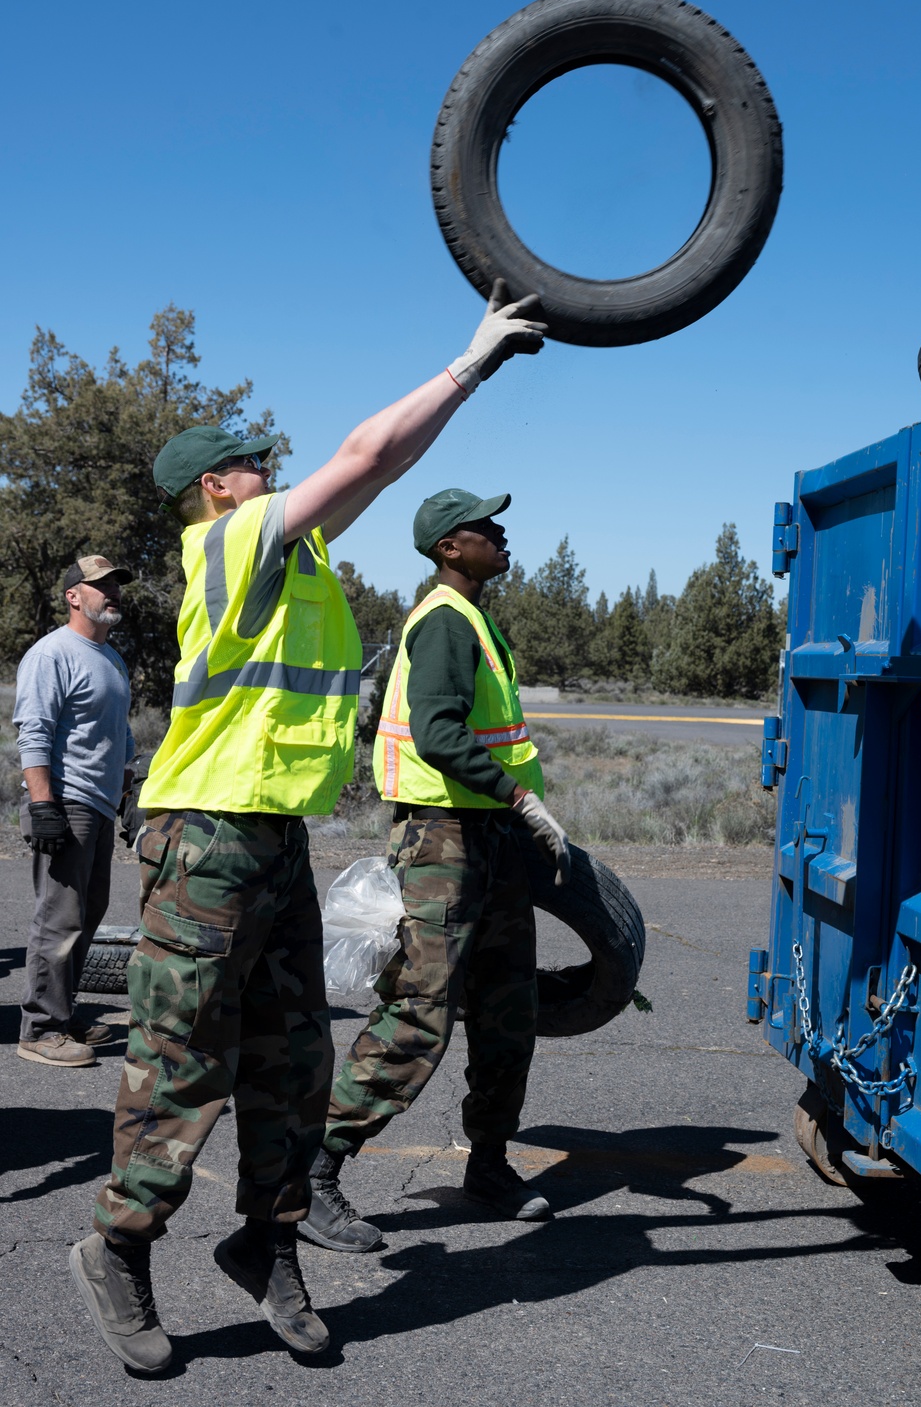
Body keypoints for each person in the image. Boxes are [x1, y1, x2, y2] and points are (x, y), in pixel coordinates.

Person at [69, 282, 546, 1375]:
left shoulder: (301, 562)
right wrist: (471, 360)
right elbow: (372, 453)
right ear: (212, 488)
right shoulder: (231, 545)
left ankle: (268, 1241)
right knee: (179, 1063)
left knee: (292, 1064)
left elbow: (372, 472)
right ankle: (120, 1249)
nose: (267, 471)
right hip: (204, 844)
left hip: (275, 840)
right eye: (246, 461)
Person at [302, 488, 571, 1255]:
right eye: (487, 528)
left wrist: (519, 819)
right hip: (442, 844)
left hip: (488, 840)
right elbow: (440, 731)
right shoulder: (446, 621)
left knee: (506, 1011)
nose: (501, 533)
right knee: (418, 1015)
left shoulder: (478, 619)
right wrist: (519, 795)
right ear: (450, 547)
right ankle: (313, 1175)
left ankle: (488, 1164)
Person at [14, 556, 134, 1068]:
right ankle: (40, 1029)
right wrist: (43, 805)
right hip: (67, 801)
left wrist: (128, 794)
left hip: (101, 805)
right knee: (59, 920)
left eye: (116, 586)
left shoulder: (111, 658)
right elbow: (34, 732)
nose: (113, 593)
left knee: (89, 915)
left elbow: (120, 736)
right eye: (102, 586)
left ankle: (65, 1013)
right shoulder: (52, 654)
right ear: (73, 595)